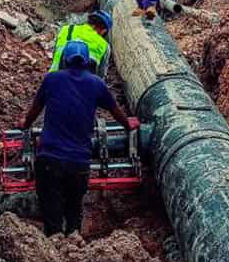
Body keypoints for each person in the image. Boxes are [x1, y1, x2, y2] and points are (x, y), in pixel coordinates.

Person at [17, 40, 140, 236]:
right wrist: (128, 124)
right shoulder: (96, 84)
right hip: (79, 163)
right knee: (74, 210)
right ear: (87, 62)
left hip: (49, 159)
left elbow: (34, 111)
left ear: (65, 60)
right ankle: (75, 243)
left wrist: (24, 124)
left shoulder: (51, 79)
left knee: (52, 214)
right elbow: (115, 111)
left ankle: (54, 246)